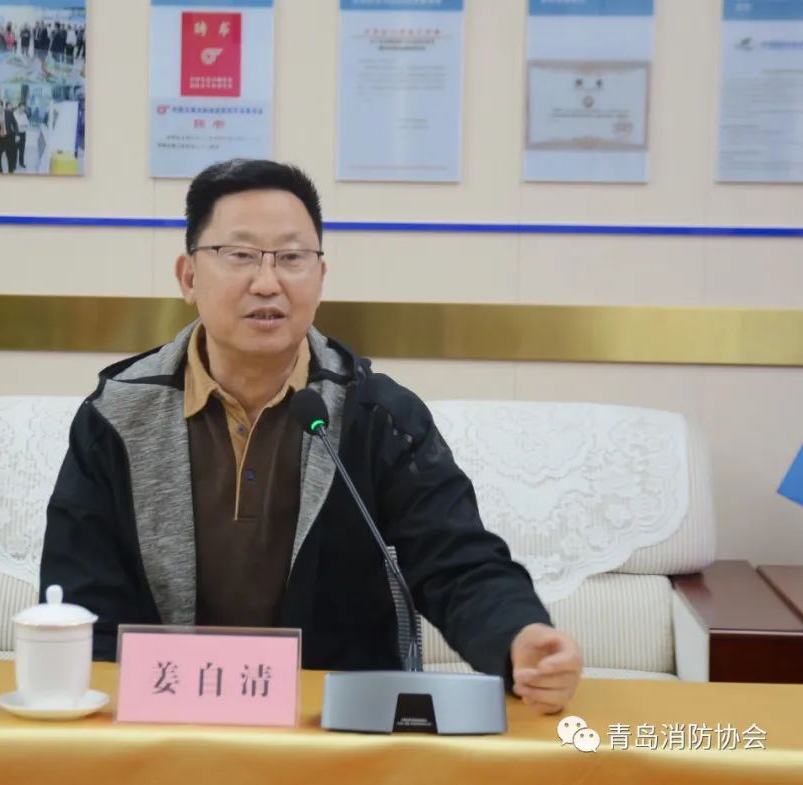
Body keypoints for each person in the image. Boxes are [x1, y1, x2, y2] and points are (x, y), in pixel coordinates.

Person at [40, 159, 583, 714]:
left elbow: (455, 560)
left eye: (292, 257)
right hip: (166, 720)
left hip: (337, 726)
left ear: (320, 277)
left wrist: (518, 636)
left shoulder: (378, 415)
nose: (267, 282)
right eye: (240, 255)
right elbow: (81, 599)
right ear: (189, 277)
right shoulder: (117, 417)